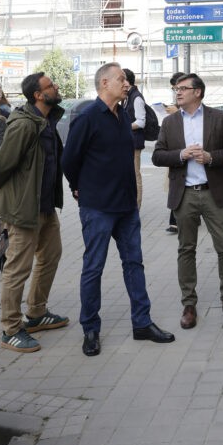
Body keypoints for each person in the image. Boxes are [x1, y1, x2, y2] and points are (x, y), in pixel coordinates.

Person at [62, 62, 175, 357]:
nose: (127, 84)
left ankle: (142, 323)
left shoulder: (123, 116)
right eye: (121, 79)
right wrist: (79, 187)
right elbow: (69, 160)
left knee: (134, 264)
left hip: (126, 207)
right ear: (104, 83)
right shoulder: (87, 118)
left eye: (126, 79)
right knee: (94, 268)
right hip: (98, 207)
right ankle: (90, 328)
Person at [152, 73, 223, 329]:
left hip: (214, 192)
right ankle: (189, 304)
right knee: (186, 249)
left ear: (198, 92)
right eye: (176, 89)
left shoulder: (218, 117)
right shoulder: (169, 122)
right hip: (185, 194)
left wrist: (211, 157)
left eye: (183, 88)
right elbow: (158, 156)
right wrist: (181, 154)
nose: (178, 92)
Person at [0, 72, 68, 353]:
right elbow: (4, 162)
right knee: (18, 268)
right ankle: (10, 329)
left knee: (51, 256)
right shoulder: (24, 124)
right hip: (23, 207)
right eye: (51, 85)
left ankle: (36, 313)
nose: (55, 87)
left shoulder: (47, 120)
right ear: (38, 94)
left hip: (45, 206)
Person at [164, 71, 185, 233]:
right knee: (176, 183)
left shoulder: (191, 103)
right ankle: (177, 219)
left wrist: (176, 112)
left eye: (177, 88)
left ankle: (176, 221)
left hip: (186, 150)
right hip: (175, 149)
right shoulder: (178, 103)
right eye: (174, 89)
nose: (176, 92)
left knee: (179, 184)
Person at [123, 68, 146, 209]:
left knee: (135, 174)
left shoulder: (136, 97)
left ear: (127, 81)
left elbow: (141, 121)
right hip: (129, 141)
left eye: (121, 79)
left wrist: (123, 127)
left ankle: (137, 206)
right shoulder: (126, 97)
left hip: (135, 142)